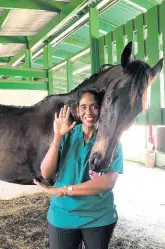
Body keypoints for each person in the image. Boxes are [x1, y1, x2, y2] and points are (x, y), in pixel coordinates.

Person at [34, 90, 123, 249]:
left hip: (98, 216)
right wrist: (57, 137)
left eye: (94, 106)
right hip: (63, 214)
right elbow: (46, 172)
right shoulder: (67, 135)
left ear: (101, 109)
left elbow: (108, 182)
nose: (88, 112)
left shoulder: (111, 139)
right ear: (77, 110)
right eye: (83, 107)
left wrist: (65, 190)